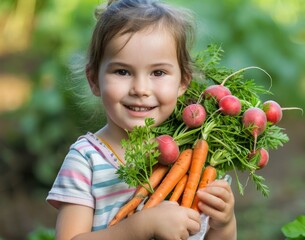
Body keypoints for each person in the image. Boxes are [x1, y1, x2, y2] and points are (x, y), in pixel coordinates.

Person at [46, 0, 237, 239]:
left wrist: (224, 224)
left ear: (182, 82)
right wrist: (139, 227)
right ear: (94, 80)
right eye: (122, 71)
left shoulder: (194, 156)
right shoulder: (86, 160)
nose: (140, 88)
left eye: (158, 73)